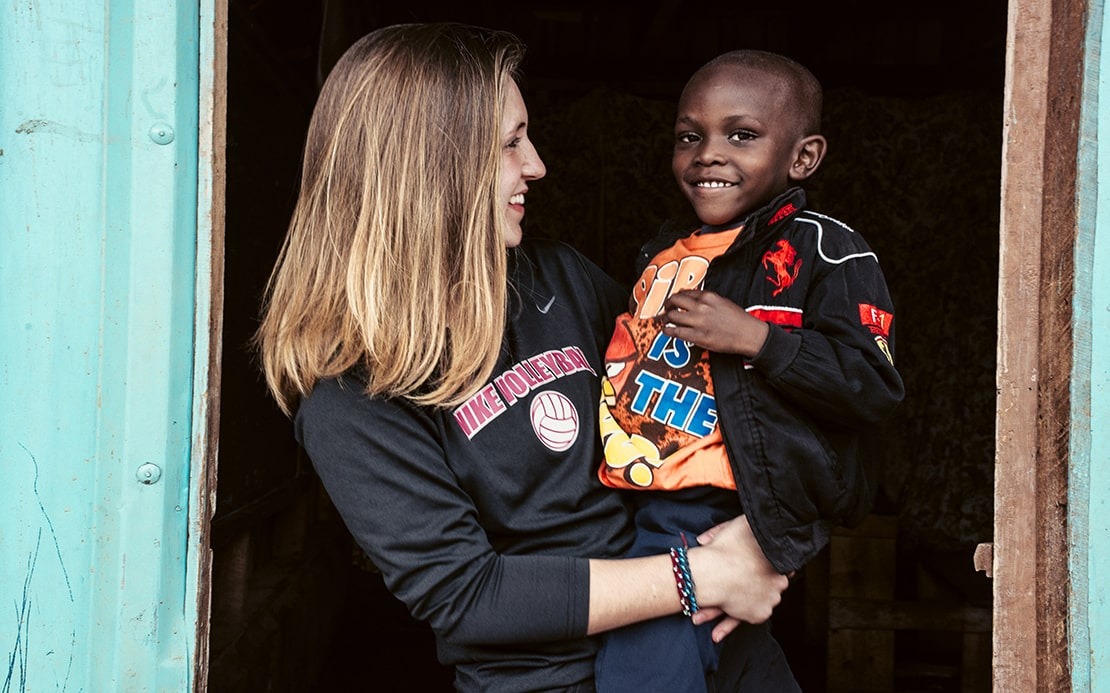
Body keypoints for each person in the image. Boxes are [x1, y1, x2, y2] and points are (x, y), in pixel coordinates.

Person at [255, 23, 790, 692]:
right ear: (431, 166)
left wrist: (766, 535)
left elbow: (716, 404)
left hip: (723, 651)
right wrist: (698, 576)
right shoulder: (348, 392)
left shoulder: (560, 279)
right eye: (511, 143)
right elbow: (469, 595)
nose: (536, 165)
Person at [593, 50, 905, 691]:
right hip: (643, 499)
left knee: (642, 669)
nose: (708, 154)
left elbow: (870, 385)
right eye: (689, 136)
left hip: (724, 512)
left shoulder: (825, 250)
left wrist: (758, 339)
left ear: (803, 157)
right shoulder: (661, 253)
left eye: (741, 135)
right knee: (734, 665)